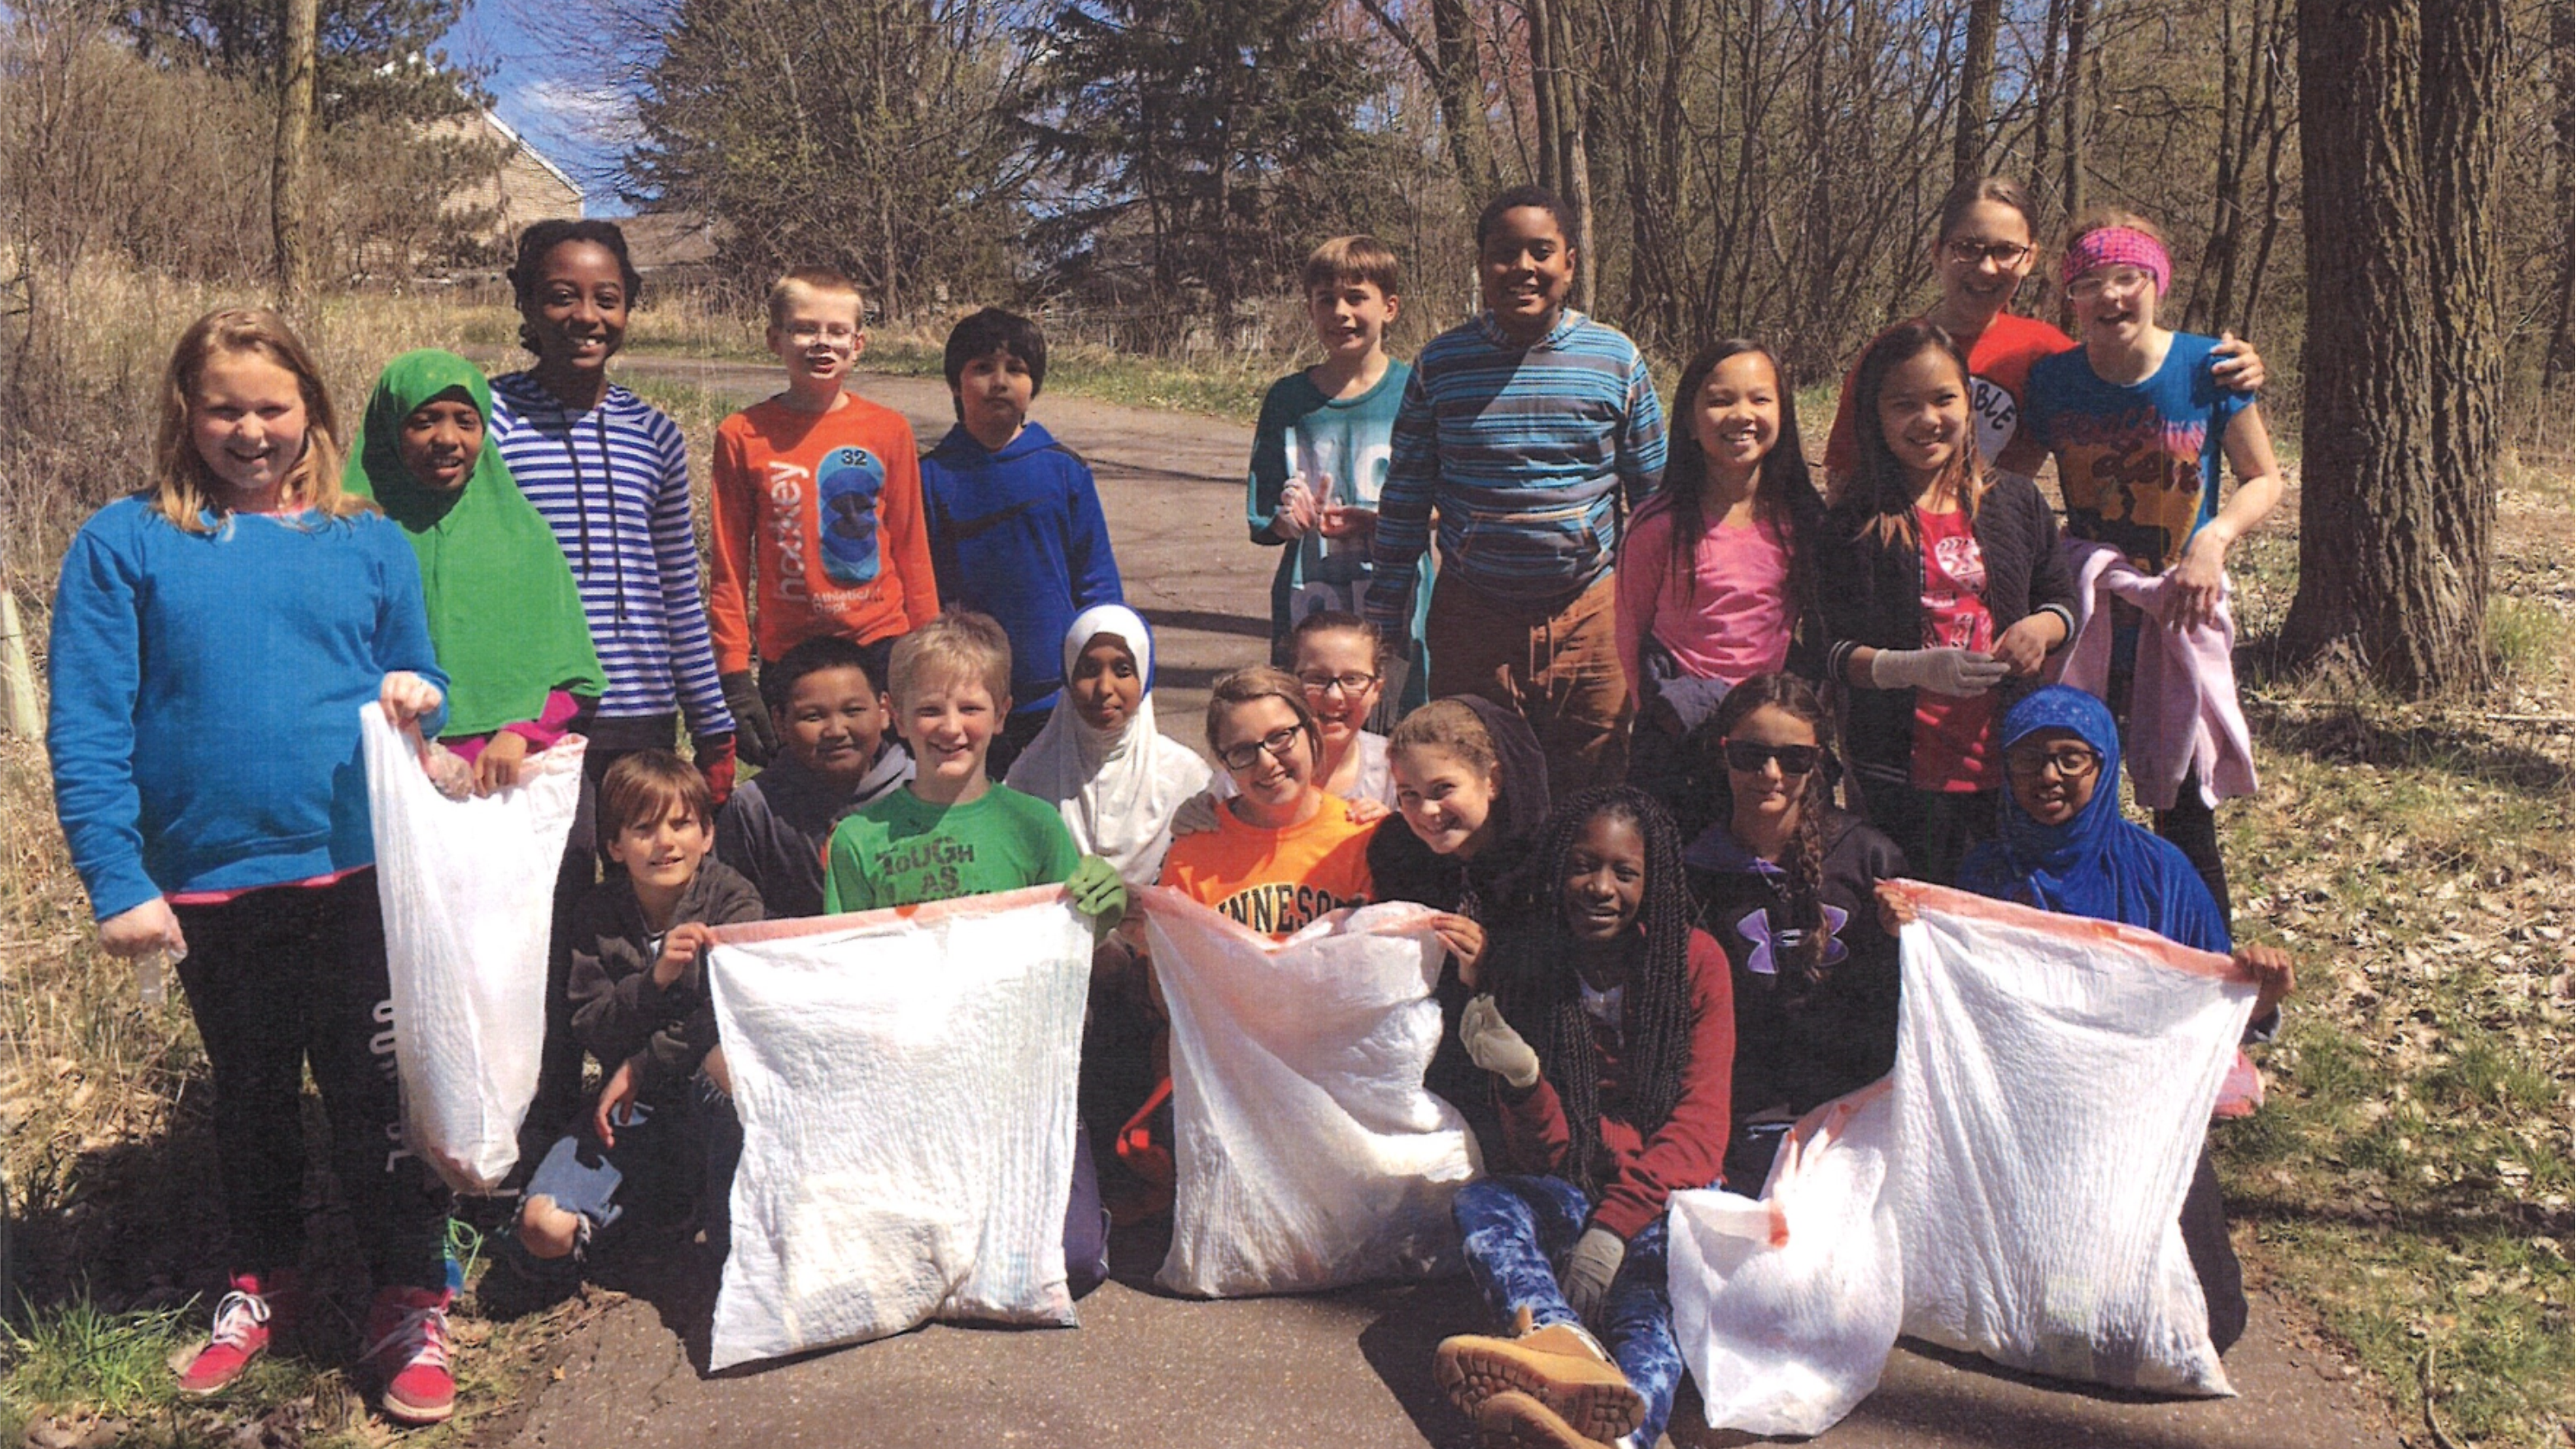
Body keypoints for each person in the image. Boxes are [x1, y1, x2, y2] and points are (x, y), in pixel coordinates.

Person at [46, 308, 460, 1422]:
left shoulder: (367, 539)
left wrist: (421, 696)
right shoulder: (125, 543)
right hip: (210, 883)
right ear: (185, 412)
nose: (250, 430)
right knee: (255, 1094)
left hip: (357, 871)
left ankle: (409, 1293)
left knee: (377, 1095)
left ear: (311, 410)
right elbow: (87, 723)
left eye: (272, 407)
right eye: (224, 408)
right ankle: (265, 1279)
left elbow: (421, 675)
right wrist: (118, 879)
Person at [1890, 685, 2294, 1354]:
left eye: (2070, 758)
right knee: (2019, 1301)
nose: (2048, 777)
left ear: (2104, 766)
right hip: (2018, 1126)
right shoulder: (1985, 876)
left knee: (2212, 1317)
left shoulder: (2162, 874)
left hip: (2136, 1123)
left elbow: (2208, 1015)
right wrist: (1911, 931)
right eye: (2028, 760)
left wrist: (2263, 996)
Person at [819, 610, 1129, 1293]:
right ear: (894, 715)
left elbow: (1078, 958)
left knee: (1072, 1261)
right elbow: (845, 972)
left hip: (1022, 1083)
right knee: (904, 1263)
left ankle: (1081, 1201)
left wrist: (1103, 916)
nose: (950, 727)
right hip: (912, 1086)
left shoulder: (1035, 825)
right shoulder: (859, 839)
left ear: (1003, 712)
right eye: (930, 709)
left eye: (970, 707)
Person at [1433, 788, 1733, 1449]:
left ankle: (1617, 1442)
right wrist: (1522, 1080)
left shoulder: (1696, 960)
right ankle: (1559, 1342)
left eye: (1625, 872)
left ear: (1653, 882)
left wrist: (1613, 1230)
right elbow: (1544, 1157)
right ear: (1556, 870)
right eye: (1582, 865)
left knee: (1647, 1319)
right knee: (1485, 1203)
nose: (1600, 887)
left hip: (1666, 1203)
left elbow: (1701, 1130)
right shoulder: (1533, 960)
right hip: (1575, 1189)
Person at [2022, 209, 2287, 923]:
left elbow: (2264, 477)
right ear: (2071, 299)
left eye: (2128, 278)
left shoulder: (2207, 369)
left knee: (2184, 809)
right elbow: (2009, 483)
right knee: (2075, 796)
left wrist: (2214, 540)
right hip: (2092, 615)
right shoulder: (2052, 382)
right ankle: (2091, 944)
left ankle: (2209, 964)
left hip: (2181, 609)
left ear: (2158, 284)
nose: (2110, 296)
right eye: (2089, 283)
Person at [1367, 185, 1666, 797]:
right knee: (1476, 785)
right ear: (1482, 265)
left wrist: (1664, 616)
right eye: (1505, 253)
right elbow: (1404, 500)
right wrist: (1384, 618)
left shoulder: (1615, 360)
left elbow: (1656, 501)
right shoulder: (1441, 364)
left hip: (1592, 617)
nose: (1523, 268)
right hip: (1473, 617)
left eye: (1541, 252)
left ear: (1570, 264)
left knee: (1594, 789)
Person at [487, 219, 737, 798]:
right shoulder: (489, 422)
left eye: (606, 299)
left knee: (643, 859)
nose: (586, 317)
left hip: (642, 708)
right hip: (526, 716)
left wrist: (711, 723)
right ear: (526, 302)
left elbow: (678, 591)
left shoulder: (654, 434)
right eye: (561, 297)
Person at [1820, 175, 2264, 501]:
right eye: (1967, 248)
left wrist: (2236, 366)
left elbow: (2130, 376)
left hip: (1995, 552)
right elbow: (1843, 475)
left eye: (2005, 251)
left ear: (2030, 258)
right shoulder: (1892, 353)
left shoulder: (2044, 351)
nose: (1986, 267)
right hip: (1894, 547)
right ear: (1937, 252)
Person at [1821, 321, 2076, 886]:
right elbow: (1830, 650)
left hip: (2008, 761)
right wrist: (1907, 668)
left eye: (1944, 399)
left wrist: (2040, 629)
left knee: (1998, 906)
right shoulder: (1853, 523)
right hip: (1896, 770)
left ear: (1968, 402)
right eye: (1904, 405)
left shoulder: (2016, 500)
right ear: (1875, 415)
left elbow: (2061, 600)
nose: (1927, 419)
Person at [516, 752, 763, 1280]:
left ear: (708, 834)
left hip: (709, 1103)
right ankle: (644, 1222)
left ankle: (730, 1252)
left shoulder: (732, 900)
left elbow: (731, 1014)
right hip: (633, 1111)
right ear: (615, 846)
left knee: (729, 1070)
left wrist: (643, 1064)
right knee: (543, 1227)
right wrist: (655, 981)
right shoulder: (597, 915)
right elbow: (593, 1026)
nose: (665, 843)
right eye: (644, 829)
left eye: (681, 824)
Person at [343, 349, 604, 797]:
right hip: (376, 773)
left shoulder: (522, 539)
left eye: (466, 421)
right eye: (424, 421)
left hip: (500, 782)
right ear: (389, 429)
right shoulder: (347, 539)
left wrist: (521, 732)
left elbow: (574, 676)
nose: (447, 438)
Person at [1679, 675, 1906, 1191]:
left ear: (1818, 761)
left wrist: (1904, 939)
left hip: (1858, 1115)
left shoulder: (1869, 858)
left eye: (1794, 759)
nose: (1771, 774)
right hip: (1742, 1116)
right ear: (1723, 753)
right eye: (1750, 755)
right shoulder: (1693, 869)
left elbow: (1912, 1002)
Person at [706, 268, 938, 767]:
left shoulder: (888, 430)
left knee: (890, 789)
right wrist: (732, 673)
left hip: (880, 646)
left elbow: (912, 549)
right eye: (804, 329)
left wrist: (928, 653)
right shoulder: (742, 434)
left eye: (837, 331)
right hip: (791, 655)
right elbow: (728, 568)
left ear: (859, 344)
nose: (822, 343)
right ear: (774, 339)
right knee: (802, 796)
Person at [1614, 339, 1826, 805]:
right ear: (1690, 422)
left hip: (1769, 724)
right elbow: (1631, 630)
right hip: (1681, 725)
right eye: (1720, 400)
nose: (1741, 415)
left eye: (1760, 399)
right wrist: (1650, 717)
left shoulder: (1802, 521)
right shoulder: (1659, 524)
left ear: (1783, 413)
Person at [918, 307, 1124, 777]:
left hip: (1055, 692)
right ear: (955, 384)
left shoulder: (1063, 470)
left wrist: (1106, 663)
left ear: (1034, 385)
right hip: (966, 696)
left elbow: (1097, 581)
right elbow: (921, 588)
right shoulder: (929, 477)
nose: (999, 382)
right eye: (982, 368)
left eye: (1016, 369)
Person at [1248, 235, 1432, 716]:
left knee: (1398, 729)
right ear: (1310, 309)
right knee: (1312, 728)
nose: (1340, 313)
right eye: (1326, 299)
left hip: (1399, 604)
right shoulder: (1287, 399)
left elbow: (1448, 506)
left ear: (1390, 307)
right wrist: (1288, 520)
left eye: (1356, 297)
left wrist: (1384, 522)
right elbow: (1264, 515)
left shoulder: (1419, 390)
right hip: (1310, 601)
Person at [1370, 695, 1553, 1166]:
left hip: (1522, 1073)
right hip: (1428, 1060)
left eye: (1443, 789)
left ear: (1492, 780)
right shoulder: (1398, 851)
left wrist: (1492, 965)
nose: (1427, 811)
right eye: (1408, 794)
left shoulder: (1542, 863)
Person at [712, 634, 913, 919]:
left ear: (884, 711)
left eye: (853, 711)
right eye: (813, 717)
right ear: (780, 723)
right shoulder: (755, 810)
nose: (836, 730)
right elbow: (728, 910)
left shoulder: (921, 790)